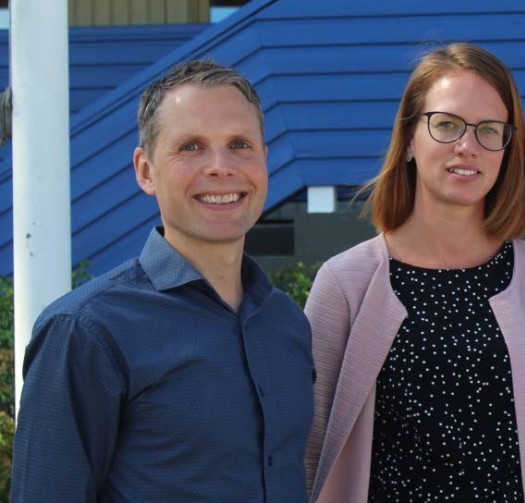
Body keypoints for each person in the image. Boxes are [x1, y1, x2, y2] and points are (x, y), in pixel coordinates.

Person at [11, 59, 314, 502]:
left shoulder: (287, 324)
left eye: (239, 144)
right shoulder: (86, 331)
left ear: (264, 161)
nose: (220, 167)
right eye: (191, 146)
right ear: (145, 170)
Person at [304, 42, 525, 503]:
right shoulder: (345, 285)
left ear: (507, 148)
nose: (467, 146)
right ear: (409, 138)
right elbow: (311, 456)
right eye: (447, 125)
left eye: (489, 130)